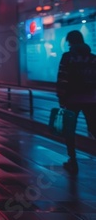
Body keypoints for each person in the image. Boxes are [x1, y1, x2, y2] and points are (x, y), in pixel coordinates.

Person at [56, 30, 96, 174]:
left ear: (70, 42)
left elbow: (62, 78)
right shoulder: (93, 58)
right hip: (91, 99)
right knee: (93, 128)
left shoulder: (68, 57)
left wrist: (61, 97)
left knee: (70, 130)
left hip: (72, 99)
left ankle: (73, 161)